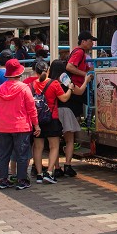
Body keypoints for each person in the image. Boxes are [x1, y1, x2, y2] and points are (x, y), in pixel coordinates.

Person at [27, 59, 87, 183]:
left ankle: (39, 174)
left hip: (37, 120)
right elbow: (64, 99)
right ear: (47, 70)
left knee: (38, 147)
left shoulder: (32, 85)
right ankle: (49, 172)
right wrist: (70, 89)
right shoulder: (54, 83)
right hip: (51, 118)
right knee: (54, 146)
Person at [0, 58, 40, 191]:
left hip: (3, 126)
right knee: (22, 154)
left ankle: (3, 179)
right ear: (19, 74)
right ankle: (21, 180)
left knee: (4, 154)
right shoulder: (24, 89)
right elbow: (31, 109)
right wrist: (36, 125)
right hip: (21, 126)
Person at [58, 30, 96, 177]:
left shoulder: (80, 53)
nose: (92, 43)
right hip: (75, 90)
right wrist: (85, 75)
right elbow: (70, 67)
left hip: (76, 90)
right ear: (83, 41)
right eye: (90, 41)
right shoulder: (79, 52)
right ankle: (67, 161)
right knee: (70, 127)